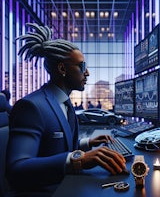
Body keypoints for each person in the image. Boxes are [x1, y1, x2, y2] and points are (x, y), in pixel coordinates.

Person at [6, 23, 126, 196]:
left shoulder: (64, 102)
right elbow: (16, 168)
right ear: (62, 68)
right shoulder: (31, 107)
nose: (88, 73)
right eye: (82, 67)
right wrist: (79, 159)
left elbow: (51, 147)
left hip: (68, 184)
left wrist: (86, 144)